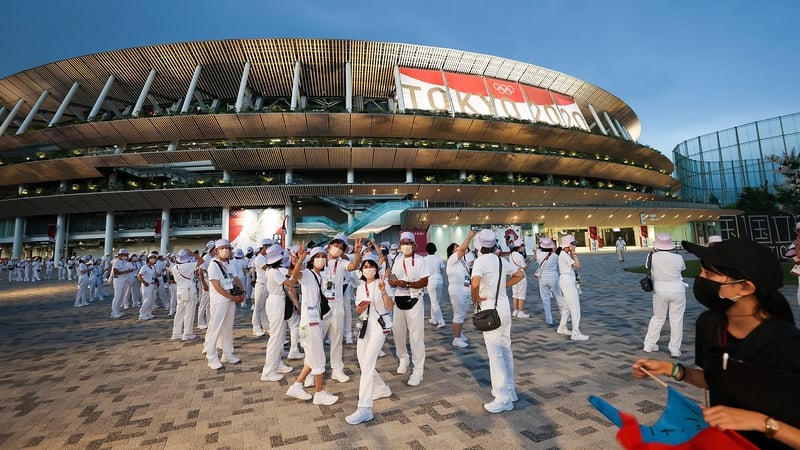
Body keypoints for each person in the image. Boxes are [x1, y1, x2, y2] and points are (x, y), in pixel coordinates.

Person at [633, 237, 800, 450]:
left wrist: (761, 422)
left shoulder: (787, 345)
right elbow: (721, 380)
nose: (701, 279)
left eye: (709, 274)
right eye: (702, 271)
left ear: (745, 287)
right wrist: (674, 370)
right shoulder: (711, 325)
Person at [470, 229, 525, 414]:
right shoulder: (502, 260)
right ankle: (510, 390)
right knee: (506, 349)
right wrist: (504, 286)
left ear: (479, 246)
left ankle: (502, 399)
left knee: (495, 355)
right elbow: (520, 275)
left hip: (490, 311)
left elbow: (475, 283)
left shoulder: (480, 261)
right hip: (504, 308)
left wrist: (475, 297)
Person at [284, 246, 339, 406]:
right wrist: (300, 260)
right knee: (318, 357)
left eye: (323, 256)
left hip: (313, 322)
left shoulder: (319, 276)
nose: (321, 259)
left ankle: (297, 385)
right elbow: (294, 278)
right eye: (318, 256)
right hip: (309, 324)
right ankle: (319, 393)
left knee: (311, 356)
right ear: (312, 259)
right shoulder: (307, 274)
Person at [345, 253, 395, 425]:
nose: (368, 269)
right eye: (365, 266)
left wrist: (383, 292)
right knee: (362, 360)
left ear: (376, 267)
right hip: (364, 323)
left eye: (370, 265)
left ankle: (365, 408)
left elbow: (390, 307)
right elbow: (358, 310)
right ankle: (381, 388)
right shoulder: (360, 288)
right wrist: (360, 307)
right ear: (361, 270)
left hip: (379, 325)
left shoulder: (383, 283)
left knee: (367, 365)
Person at [387, 231, 430, 386]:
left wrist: (408, 284)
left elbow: (424, 281)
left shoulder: (420, 260)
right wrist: (393, 283)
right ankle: (403, 359)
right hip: (399, 300)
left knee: (416, 336)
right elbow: (392, 278)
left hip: (415, 299)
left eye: (408, 243)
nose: (405, 245)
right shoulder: (396, 260)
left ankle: (418, 369)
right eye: (403, 243)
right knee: (398, 333)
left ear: (413, 244)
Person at [321, 233, 362, 383]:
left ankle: (337, 369)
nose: (337, 249)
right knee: (317, 340)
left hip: (337, 305)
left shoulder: (342, 263)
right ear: (330, 245)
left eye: (341, 247)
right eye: (335, 245)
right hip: (321, 306)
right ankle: (314, 370)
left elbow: (354, 266)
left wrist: (357, 252)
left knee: (337, 339)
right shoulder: (319, 259)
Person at [642, 233, 687, 357]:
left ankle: (649, 344)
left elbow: (647, 267)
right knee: (676, 320)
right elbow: (682, 268)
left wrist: (653, 252)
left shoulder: (651, 256)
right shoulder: (678, 258)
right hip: (677, 289)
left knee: (658, 317)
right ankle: (674, 349)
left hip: (659, 290)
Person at [203, 239, 245, 370]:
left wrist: (243, 292)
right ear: (216, 251)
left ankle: (228, 353)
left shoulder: (230, 263)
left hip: (230, 300)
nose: (226, 250)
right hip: (219, 301)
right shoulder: (213, 265)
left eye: (228, 248)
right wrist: (231, 297)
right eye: (222, 248)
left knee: (228, 328)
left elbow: (236, 278)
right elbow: (216, 285)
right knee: (215, 329)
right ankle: (211, 357)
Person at [260, 244, 298, 382]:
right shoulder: (274, 272)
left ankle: (277, 363)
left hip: (277, 301)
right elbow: (291, 283)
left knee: (280, 335)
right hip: (276, 302)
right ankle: (268, 371)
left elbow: (288, 272)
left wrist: (295, 263)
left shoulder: (274, 270)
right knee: (275, 338)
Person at [445, 230, 477, 348]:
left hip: (464, 291)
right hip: (457, 291)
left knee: (462, 313)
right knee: (458, 314)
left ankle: (460, 334)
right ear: (452, 251)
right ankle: (456, 339)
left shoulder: (462, 261)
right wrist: (468, 238)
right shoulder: (453, 259)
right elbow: (463, 250)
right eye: (456, 247)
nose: (459, 248)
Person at [557, 235, 589, 341]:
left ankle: (562, 327)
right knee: (575, 307)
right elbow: (578, 265)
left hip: (565, 279)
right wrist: (574, 253)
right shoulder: (564, 255)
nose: (574, 246)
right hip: (567, 280)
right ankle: (575, 332)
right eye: (572, 244)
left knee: (567, 306)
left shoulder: (562, 253)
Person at [170, 249, 203, 341]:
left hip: (180, 290)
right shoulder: (189, 266)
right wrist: (192, 254)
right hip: (189, 290)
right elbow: (201, 261)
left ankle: (176, 333)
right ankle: (187, 333)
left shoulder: (174, 267)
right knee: (189, 312)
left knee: (179, 312)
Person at [535, 237, 563, 326]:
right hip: (553, 277)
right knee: (559, 297)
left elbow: (539, 249)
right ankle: (565, 316)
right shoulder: (555, 255)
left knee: (545, 299)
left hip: (542, 277)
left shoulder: (539, 254)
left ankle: (549, 319)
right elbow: (558, 250)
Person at [251, 239, 273, 336]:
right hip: (261, 285)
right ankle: (256, 327)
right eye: (268, 247)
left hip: (268, 285)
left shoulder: (267, 257)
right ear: (263, 247)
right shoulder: (259, 258)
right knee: (258, 307)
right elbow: (267, 267)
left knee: (266, 308)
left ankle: (266, 326)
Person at [423, 242, 446, 328]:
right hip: (439, 279)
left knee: (434, 302)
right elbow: (442, 270)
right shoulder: (439, 258)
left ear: (427, 250)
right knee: (436, 301)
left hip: (430, 280)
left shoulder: (424, 259)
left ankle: (441, 321)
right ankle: (434, 319)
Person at [509, 239, 532, 318]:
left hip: (513, 275)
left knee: (515, 294)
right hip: (521, 275)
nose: (523, 247)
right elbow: (524, 267)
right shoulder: (520, 256)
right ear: (519, 247)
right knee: (521, 294)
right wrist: (528, 262)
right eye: (522, 246)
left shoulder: (511, 255)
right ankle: (521, 311)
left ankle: (515, 310)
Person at [110, 249, 133, 318]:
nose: (126, 256)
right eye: (125, 255)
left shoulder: (125, 261)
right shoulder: (116, 262)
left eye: (127, 255)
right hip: (118, 280)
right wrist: (126, 271)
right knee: (117, 296)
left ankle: (117, 310)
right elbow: (115, 272)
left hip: (124, 279)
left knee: (122, 296)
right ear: (120, 255)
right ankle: (114, 312)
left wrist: (128, 271)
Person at [137, 254, 159, 320]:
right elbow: (139, 275)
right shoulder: (145, 267)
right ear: (148, 259)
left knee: (152, 300)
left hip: (152, 284)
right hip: (146, 285)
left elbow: (155, 274)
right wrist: (143, 282)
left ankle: (148, 313)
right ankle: (142, 314)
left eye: (154, 258)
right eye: (151, 258)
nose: (153, 259)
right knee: (147, 299)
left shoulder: (154, 267)